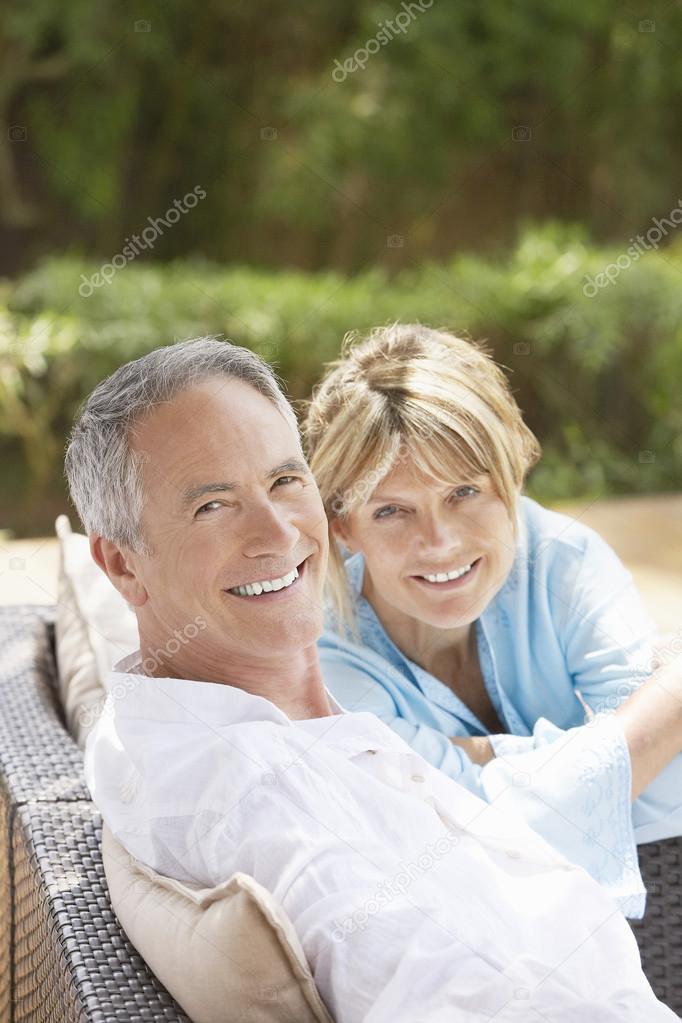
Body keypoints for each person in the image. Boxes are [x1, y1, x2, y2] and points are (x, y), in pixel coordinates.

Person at [70, 337, 682, 1021]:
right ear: (122, 564)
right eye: (213, 504)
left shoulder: (239, 718)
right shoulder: (264, 789)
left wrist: (496, 763)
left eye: (282, 481)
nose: (276, 532)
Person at [305, 322, 682, 910]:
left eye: (464, 493)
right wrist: (672, 698)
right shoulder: (325, 651)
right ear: (342, 527)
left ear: (513, 475)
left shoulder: (562, 559)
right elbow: (443, 836)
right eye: (391, 512)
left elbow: (670, 781)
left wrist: (465, 760)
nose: (440, 542)